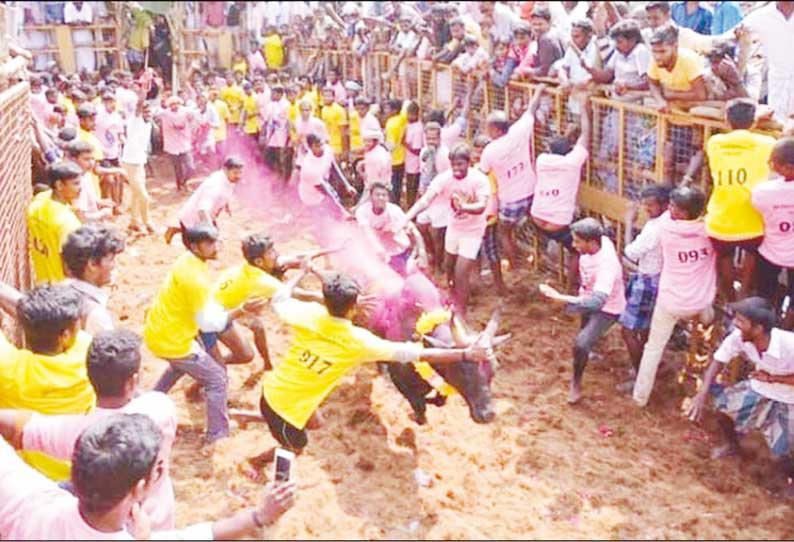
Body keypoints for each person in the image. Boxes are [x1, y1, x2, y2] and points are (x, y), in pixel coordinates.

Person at [252, 266, 494, 455]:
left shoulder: (309, 314)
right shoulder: (358, 341)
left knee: (317, 423)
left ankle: (249, 415)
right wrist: (464, 354)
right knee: (296, 448)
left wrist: (302, 272)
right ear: (354, 307)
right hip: (284, 407)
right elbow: (415, 354)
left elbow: (280, 299)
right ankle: (256, 461)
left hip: (275, 387)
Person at [0, 413, 296, 540]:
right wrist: (260, 515)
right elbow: (198, 536)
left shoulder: (27, 499)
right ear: (140, 487)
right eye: (159, 466)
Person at [0, 329, 178, 530]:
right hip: (159, 521)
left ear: (90, 378)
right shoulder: (160, 406)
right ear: (133, 380)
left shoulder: (75, 431)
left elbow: (19, 430)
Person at [145, 223, 267, 443]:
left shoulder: (188, 261)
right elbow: (209, 323)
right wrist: (242, 310)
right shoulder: (195, 279)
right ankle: (217, 434)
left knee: (178, 366)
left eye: (216, 240)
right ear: (195, 247)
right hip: (173, 339)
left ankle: (148, 404)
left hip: (163, 331)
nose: (217, 246)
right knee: (217, 379)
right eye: (210, 243)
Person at [686, 297, 794, 492]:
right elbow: (718, 361)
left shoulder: (790, 346)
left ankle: (788, 482)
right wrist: (701, 393)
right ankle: (732, 445)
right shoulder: (739, 337)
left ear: (758, 329)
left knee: (782, 453)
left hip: (789, 399)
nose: (735, 324)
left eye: (742, 321)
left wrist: (772, 379)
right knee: (723, 406)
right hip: (760, 388)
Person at [633, 187, 717, 407]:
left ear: (682, 212)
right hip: (700, 302)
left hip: (670, 302)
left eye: (674, 207)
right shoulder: (711, 229)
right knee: (709, 318)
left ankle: (640, 398)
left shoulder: (665, 226)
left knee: (653, 348)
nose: (669, 209)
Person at [0, 285, 94, 479]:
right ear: (65, 335)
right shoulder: (87, 352)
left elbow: (33, 320)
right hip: (81, 467)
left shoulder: (9, 371)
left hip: (32, 478)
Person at [539, 218, 627, 404]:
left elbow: (596, 303)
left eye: (578, 241)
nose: (573, 245)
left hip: (607, 307)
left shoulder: (606, 265)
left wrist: (561, 299)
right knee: (585, 332)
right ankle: (593, 350)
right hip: (587, 295)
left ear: (592, 242)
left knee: (581, 343)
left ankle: (576, 383)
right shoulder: (601, 243)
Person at [405, 144, 491, 314]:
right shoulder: (444, 178)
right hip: (454, 229)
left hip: (473, 232)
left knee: (461, 274)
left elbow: (481, 206)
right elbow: (425, 200)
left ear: (468, 163)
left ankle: (461, 312)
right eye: (453, 165)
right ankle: (453, 300)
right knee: (449, 267)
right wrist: (407, 217)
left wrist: (463, 207)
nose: (456, 169)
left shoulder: (480, 180)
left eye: (460, 164)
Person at [705, 98, 776, 301]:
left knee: (725, 256)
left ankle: (731, 298)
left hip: (721, 219)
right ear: (754, 123)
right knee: (752, 253)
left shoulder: (715, 143)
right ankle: (744, 292)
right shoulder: (767, 143)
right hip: (753, 217)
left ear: (727, 121)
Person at [479, 84, 545, 272]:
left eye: (488, 128)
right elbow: (531, 109)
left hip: (510, 199)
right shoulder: (519, 131)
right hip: (532, 192)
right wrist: (539, 90)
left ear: (497, 130)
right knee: (536, 229)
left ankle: (515, 266)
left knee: (504, 232)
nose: (486, 131)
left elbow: (484, 171)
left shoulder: (490, 150)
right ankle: (536, 261)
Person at [530, 95, 591, 292]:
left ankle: (542, 263)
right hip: (558, 223)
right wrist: (585, 111)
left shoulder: (542, 160)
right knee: (577, 252)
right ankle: (570, 288)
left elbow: (560, 146)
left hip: (537, 218)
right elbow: (585, 137)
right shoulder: (572, 163)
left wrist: (568, 136)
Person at [618, 185, 670, 391]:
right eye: (645, 204)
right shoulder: (669, 221)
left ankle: (641, 377)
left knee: (628, 331)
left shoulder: (653, 229)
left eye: (650, 205)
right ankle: (649, 368)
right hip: (662, 280)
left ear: (665, 205)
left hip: (647, 282)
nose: (646, 208)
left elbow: (630, 252)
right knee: (647, 330)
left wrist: (629, 223)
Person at [752, 137, 794, 328]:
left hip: (770, 252)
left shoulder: (763, 192)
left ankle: (766, 328)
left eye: (773, 162)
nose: (770, 165)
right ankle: (787, 330)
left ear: (787, 167)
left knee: (765, 293)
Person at [164, 156, 245, 245]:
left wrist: (226, 205)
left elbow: (226, 191)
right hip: (196, 218)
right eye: (235, 173)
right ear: (225, 170)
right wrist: (211, 231)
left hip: (209, 214)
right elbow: (202, 211)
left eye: (240, 172)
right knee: (199, 249)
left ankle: (175, 228)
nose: (239, 176)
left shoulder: (228, 178)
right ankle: (173, 230)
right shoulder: (214, 186)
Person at [61, 224, 125, 335]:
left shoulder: (62, 288)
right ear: (92, 264)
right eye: (111, 260)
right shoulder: (95, 315)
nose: (114, 265)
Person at [27, 162, 82, 284]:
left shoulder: (39, 200)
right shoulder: (67, 222)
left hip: (42, 283)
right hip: (61, 289)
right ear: (59, 185)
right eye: (76, 183)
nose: (80, 188)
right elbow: (69, 268)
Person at [356, 182, 427, 276]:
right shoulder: (362, 211)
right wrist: (379, 250)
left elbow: (413, 230)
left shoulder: (395, 211)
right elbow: (367, 232)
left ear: (388, 198)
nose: (381, 198)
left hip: (397, 252)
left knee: (407, 274)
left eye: (384, 195)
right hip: (374, 252)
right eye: (377, 195)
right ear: (371, 197)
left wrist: (422, 252)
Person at [647, 23, 707, 113]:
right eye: (654, 52)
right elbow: (653, 84)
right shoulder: (655, 61)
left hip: (693, 109)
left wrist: (672, 95)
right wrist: (660, 101)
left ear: (675, 47)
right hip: (674, 109)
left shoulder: (688, 61)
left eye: (662, 51)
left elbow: (700, 95)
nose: (657, 56)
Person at [121, 101, 155, 233]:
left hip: (140, 161)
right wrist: (144, 89)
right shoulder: (135, 120)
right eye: (145, 112)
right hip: (129, 163)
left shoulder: (148, 124)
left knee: (136, 194)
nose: (148, 114)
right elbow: (139, 105)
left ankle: (134, 221)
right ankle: (148, 222)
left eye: (149, 112)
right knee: (144, 196)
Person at [157, 96, 195, 191]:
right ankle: (180, 186)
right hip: (172, 145)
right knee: (178, 169)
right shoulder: (165, 114)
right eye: (172, 104)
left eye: (176, 103)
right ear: (169, 106)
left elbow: (194, 116)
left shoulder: (186, 111)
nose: (175, 106)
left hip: (185, 143)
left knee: (191, 168)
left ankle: (184, 182)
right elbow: (155, 114)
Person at [384, 99, 408, 205]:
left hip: (393, 158)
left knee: (393, 184)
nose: (385, 110)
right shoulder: (402, 118)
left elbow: (390, 145)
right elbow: (407, 104)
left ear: (394, 110)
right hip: (403, 156)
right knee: (398, 183)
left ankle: (393, 203)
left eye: (388, 108)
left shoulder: (391, 124)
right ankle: (397, 202)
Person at [320, 87, 349, 160]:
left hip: (337, 147)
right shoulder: (324, 109)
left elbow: (343, 133)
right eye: (325, 96)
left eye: (329, 96)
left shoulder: (339, 110)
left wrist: (344, 151)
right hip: (326, 145)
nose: (327, 98)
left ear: (333, 97)